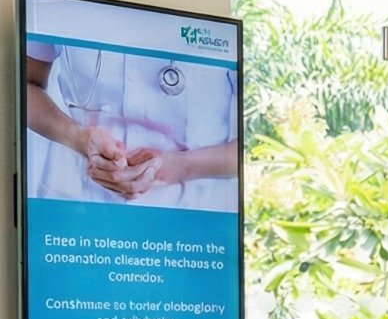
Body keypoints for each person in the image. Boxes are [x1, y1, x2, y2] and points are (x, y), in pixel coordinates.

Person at [23, 39, 239, 210]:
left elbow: (256, 146)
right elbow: (24, 85)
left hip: (190, 227)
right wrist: (77, 137)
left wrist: (178, 166)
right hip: (75, 213)